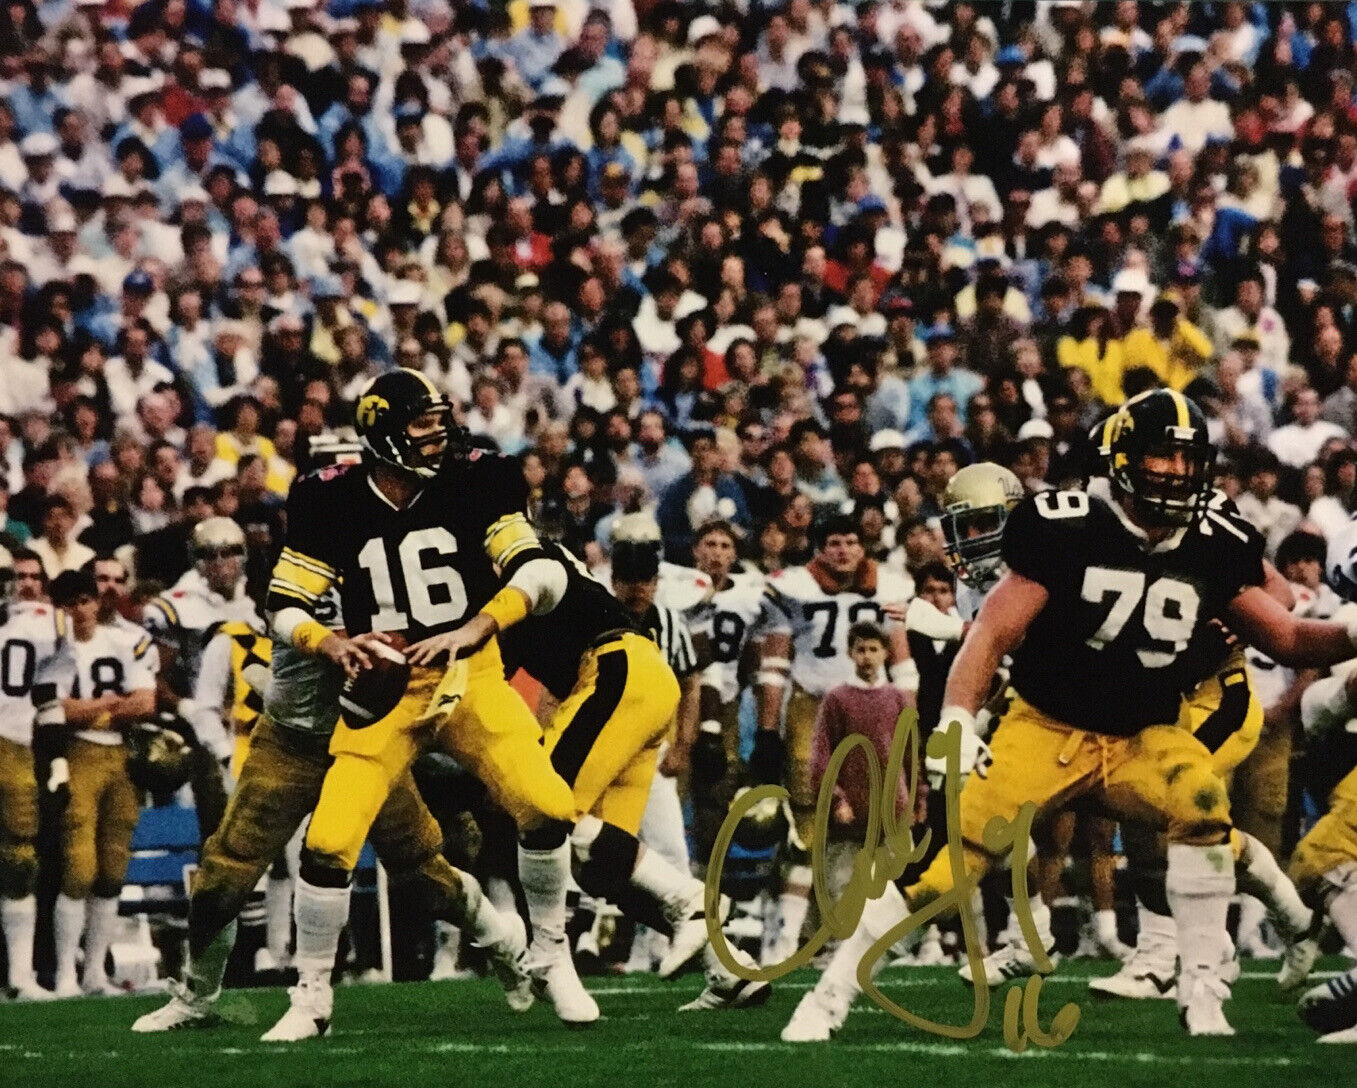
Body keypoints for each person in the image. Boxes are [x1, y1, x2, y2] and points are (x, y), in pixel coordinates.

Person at [782, 389, 1357, 1041]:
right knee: (944, 863)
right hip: (1048, 728)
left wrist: (1348, 633)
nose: (1171, 471)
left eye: (1183, 458)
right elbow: (990, 637)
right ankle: (826, 999)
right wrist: (958, 724)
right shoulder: (1063, 524)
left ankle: (1201, 993)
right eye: (1158, 456)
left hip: (1144, 733)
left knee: (1200, 807)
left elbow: (1282, 635)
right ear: (1120, 459)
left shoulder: (1214, 538)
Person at [258, 369, 583, 1039]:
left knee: (547, 804)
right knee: (327, 840)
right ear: (382, 434)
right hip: (383, 687)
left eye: (440, 421)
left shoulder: (478, 477)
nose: (439, 435)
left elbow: (539, 568)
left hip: (470, 673)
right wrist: (333, 644)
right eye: (422, 424)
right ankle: (311, 994)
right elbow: (283, 602)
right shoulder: (330, 497)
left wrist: (476, 626)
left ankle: (551, 950)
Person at [755, 513, 915, 964]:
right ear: (819, 548)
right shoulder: (793, 587)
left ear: (863, 546)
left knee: (876, 820)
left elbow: (903, 665)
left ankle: (861, 932)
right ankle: (792, 935)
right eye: (834, 542)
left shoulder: (888, 586)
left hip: (875, 707)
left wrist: (912, 727)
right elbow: (775, 664)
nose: (843, 551)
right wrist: (768, 729)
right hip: (816, 705)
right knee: (810, 821)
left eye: (850, 541)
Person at [48, 568, 155, 997]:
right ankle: (64, 974)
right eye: (71, 603)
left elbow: (144, 702)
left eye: (85, 600)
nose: (80, 610)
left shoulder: (125, 640)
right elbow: (58, 710)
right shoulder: (55, 646)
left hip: (121, 755)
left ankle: (94, 974)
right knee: (78, 867)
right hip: (76, 753)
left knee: (113, 867)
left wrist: (92, 709)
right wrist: (105, 706)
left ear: (96, 601)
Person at [0, 547, 66, 1000]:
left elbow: (46, 693)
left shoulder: (42, 625)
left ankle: (21, 977)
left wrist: (58, 755)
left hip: (17, 747)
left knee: (21, 858)